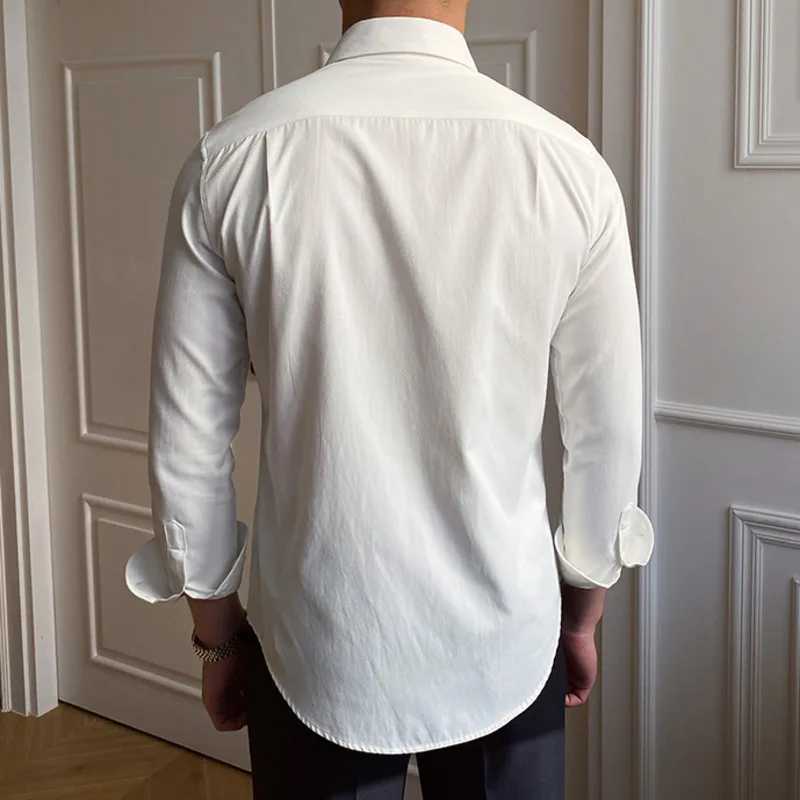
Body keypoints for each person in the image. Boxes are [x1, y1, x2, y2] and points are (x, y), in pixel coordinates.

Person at [125, 1, 655, 797]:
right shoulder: (569, 168)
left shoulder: (232, 161)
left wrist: (218, 637)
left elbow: (189, 441)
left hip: (314, 642)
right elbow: (606, 435)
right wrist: (582, 614)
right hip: (507, 639)